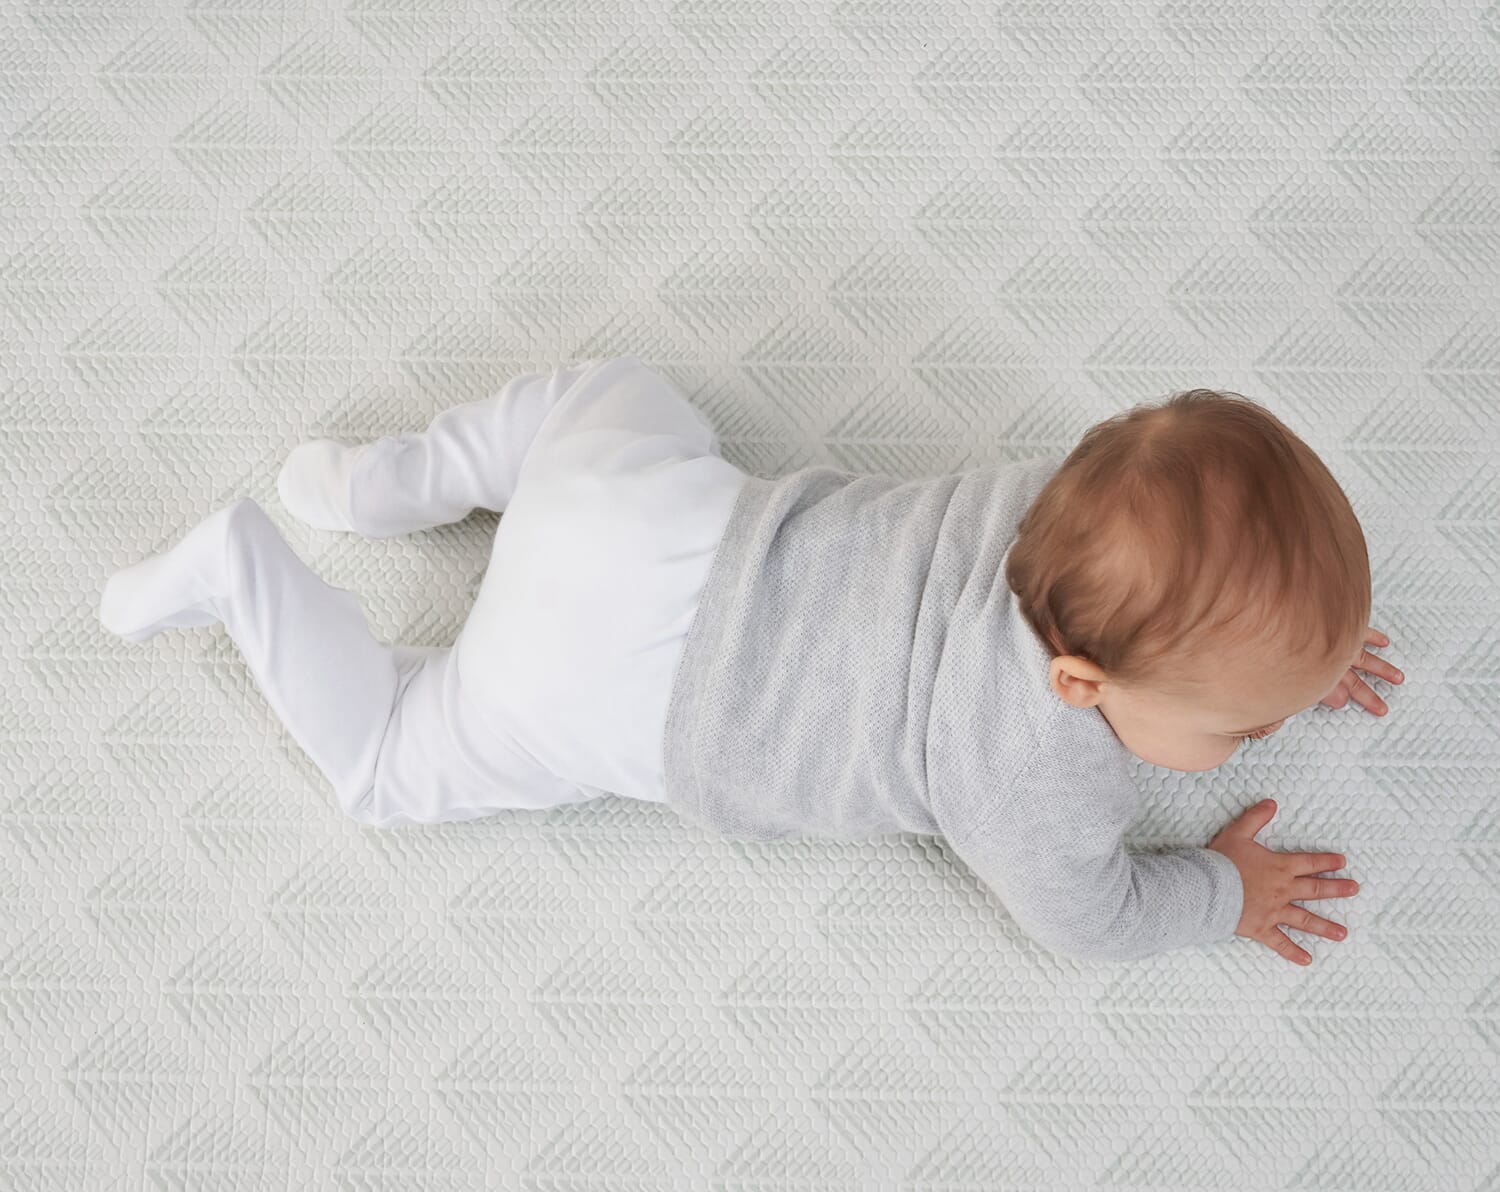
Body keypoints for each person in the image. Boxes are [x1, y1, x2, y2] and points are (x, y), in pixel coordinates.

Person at [99, 355, 1404, 966]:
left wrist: (1279, 649)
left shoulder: (1066, 502)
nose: (1257, 740)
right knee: (388, 760)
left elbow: (1185, 567)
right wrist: (1226, 894)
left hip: (646, 517)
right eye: (1241, 727)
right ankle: (241, 574)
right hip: (620, 696)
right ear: (1079, 689)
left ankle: (398, 480)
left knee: (622, 397)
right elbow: (1093, 919)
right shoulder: (1040, 778)